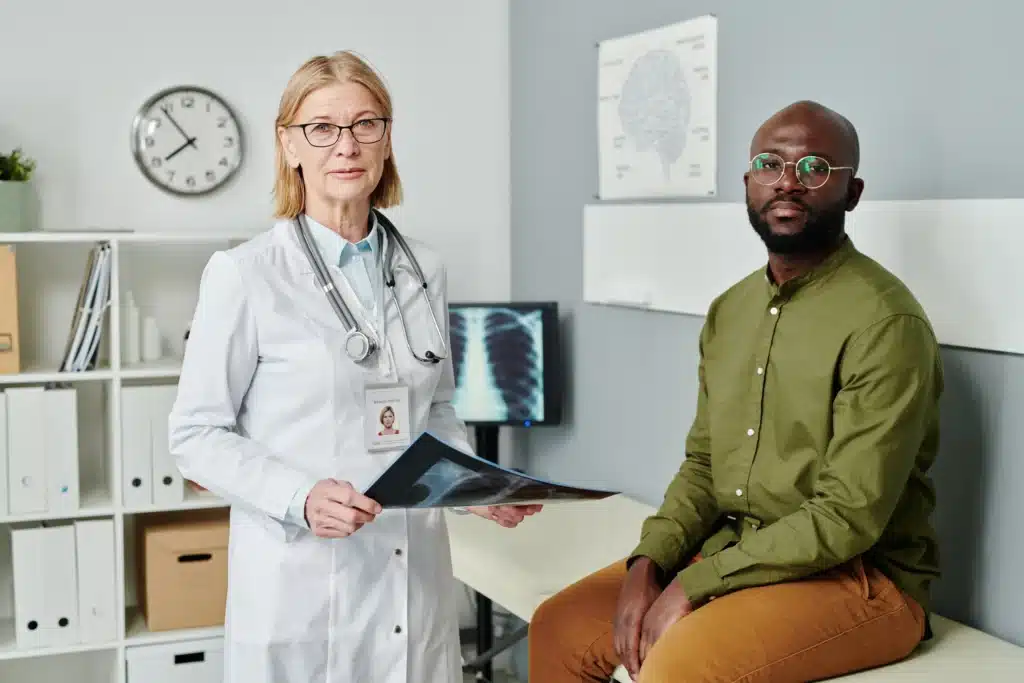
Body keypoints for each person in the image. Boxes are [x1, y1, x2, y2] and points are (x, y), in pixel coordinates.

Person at [528, 100, 943, 682]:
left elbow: (848, 515)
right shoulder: (732, 310)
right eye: (771, 164)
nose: (788, 184)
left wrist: (693, 585)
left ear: (853, 193)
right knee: (560, 627)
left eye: (815, 169)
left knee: (681, 666)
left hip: (860, 579)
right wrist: (648, 566)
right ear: (748, 182)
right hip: (740, 549)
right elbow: (705, 464)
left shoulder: (885, 323)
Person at [167, 51, 541, 683]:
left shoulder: (424, 268)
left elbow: (438, 406)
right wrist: (299, 498)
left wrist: (468, 486)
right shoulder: (245, 274)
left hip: (409, 578)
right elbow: (196, 435)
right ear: (290, 145)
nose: (346, 145)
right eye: (322, 128)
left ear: (386, 140)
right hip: (302, 580)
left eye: (366, 124)